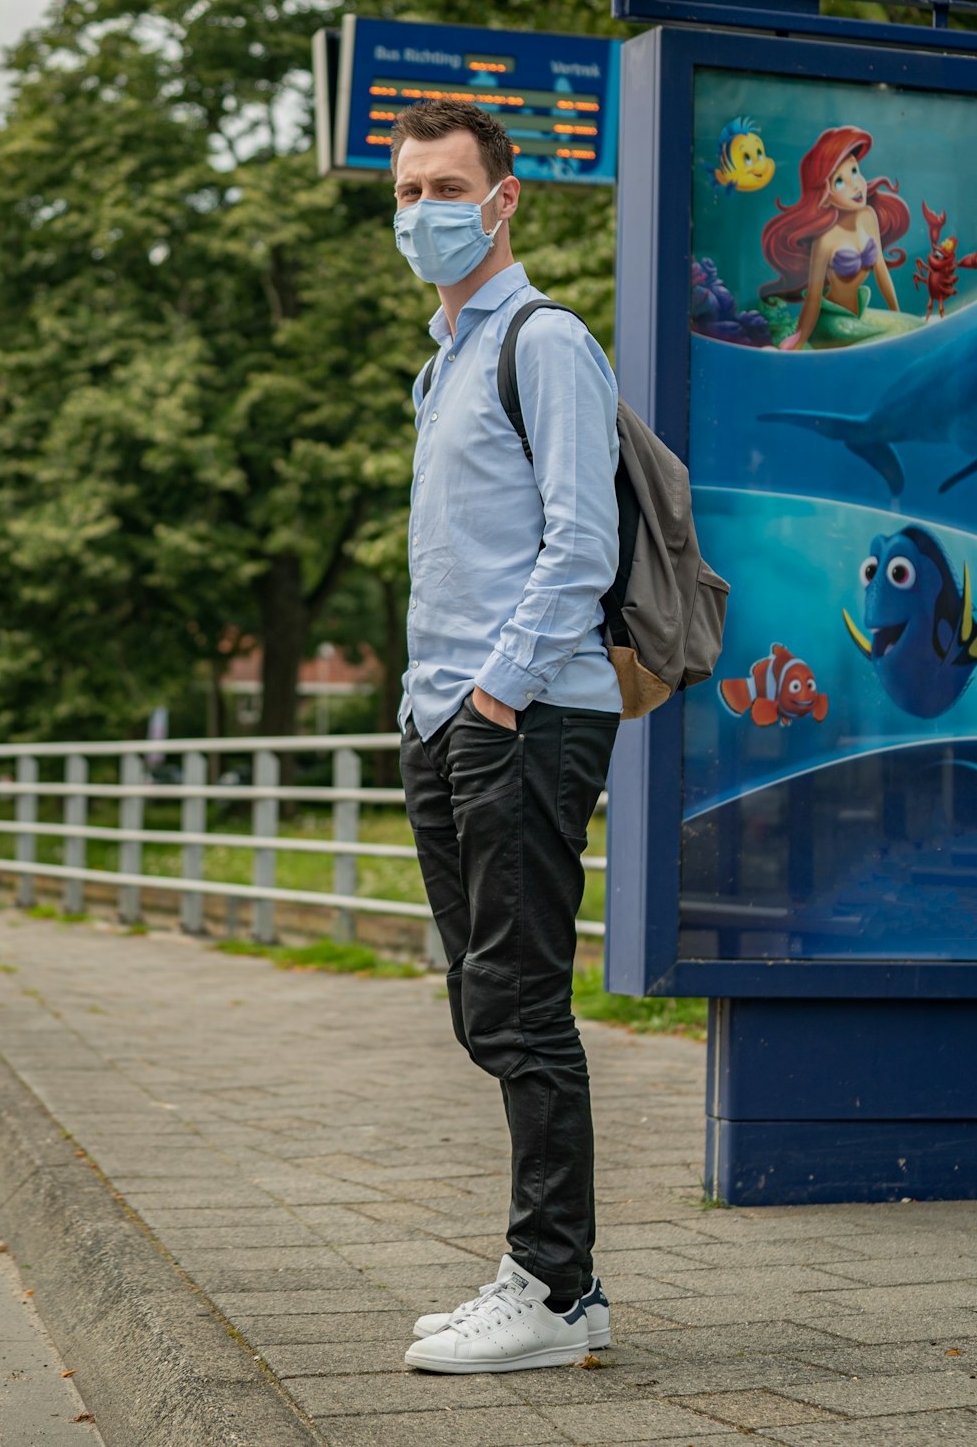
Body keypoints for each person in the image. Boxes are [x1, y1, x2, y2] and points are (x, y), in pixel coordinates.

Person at [393, 100, 622, 1376]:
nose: (419, 211)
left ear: (502, 200)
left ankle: (547, 1285)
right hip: (446, 718)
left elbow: (578, 544)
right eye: (404, 190)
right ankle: (564, 1284)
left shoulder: (545, 341)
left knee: (523, 1003)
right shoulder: (442, 362)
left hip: (522, 716)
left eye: (443, 186)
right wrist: (430, 710)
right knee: (486, 1001)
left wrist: (494, 698)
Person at [759, 125, 909, 350]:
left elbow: (881, 271)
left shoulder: (868, 216)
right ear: (825, 195)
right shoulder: (825, 240)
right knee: (898, 333)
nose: (855, 185)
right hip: (832, 323)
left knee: (909, 327)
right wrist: (799, 342)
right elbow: (813, 299)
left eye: (855, 171)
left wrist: (898, 315)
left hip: (858, 314)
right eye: (839, 181)